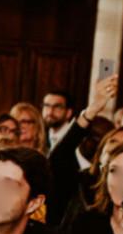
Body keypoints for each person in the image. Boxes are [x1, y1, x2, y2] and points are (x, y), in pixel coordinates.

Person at [46, 76, 119, 225]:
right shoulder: (72, 174)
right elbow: (59, 155)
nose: (93, 141)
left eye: (100, 138)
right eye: (89, 135)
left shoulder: (111, 182)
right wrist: (91, 111)